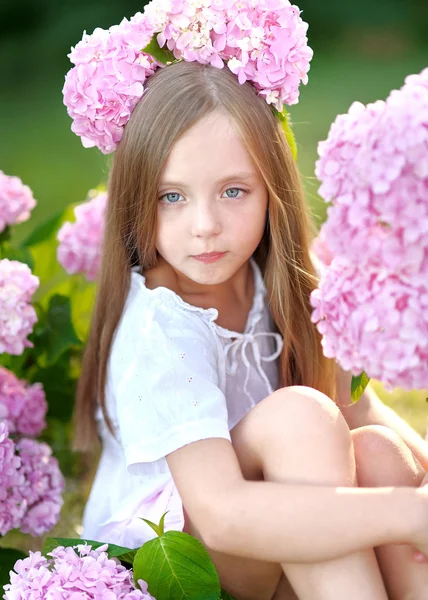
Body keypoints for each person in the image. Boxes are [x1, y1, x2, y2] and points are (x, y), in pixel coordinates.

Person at [68, 6, 428, 600]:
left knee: (380, 454)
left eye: (233, 191)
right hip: (183, 557)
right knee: (300, 419)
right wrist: (405, 515)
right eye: (172, 197)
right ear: (136, 197)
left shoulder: (286, 279)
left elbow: (363, 413)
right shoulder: (160, 325)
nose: (205, 226)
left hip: (277, 526)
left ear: (272, 191)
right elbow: (223, 514)